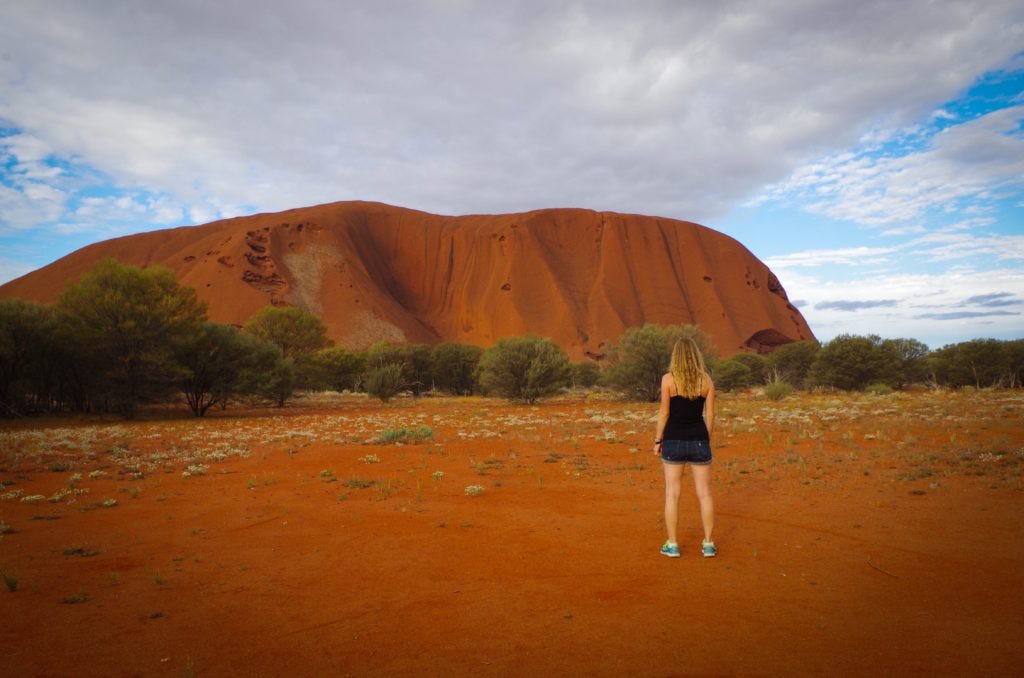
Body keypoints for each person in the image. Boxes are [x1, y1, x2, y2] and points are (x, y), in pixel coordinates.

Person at [653, 338, 716, 558]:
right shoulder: (706, 380)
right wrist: (704, 438)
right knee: (705, 494)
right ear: (696, 355)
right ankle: (708, 544)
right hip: (699, 439)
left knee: (672, 494)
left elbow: (664, 412)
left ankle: (673, 545)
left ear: (676, 356)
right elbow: (710, 415)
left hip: (673, 440)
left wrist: (658, 440)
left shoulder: (668, 380)